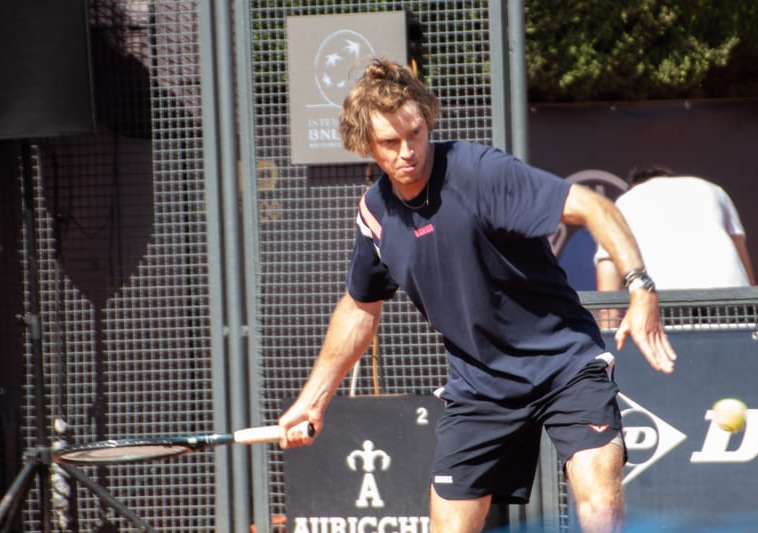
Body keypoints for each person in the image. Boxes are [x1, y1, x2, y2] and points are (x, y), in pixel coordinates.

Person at [277, 59, 677, 533]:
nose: (408, 151)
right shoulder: (376, 214)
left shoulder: (479, 172)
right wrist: (315, 397)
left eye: (416, 133)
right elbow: (360, 307)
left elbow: (593, 206)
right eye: (390, 142)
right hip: (481, 385)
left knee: (599, 499)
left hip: (564, 361)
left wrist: (640, 285)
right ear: (365, 145)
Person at [595, 165, 756, 291]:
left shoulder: (626, 201)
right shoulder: (713, 190)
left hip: (666, 301)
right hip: (732, 297)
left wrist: (606, 328)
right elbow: (741, 256)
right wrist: (755, 310)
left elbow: (608, 268)